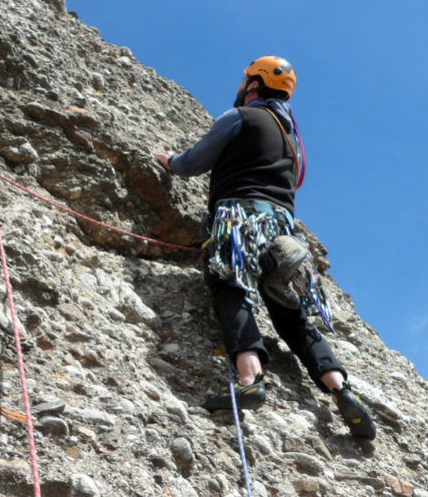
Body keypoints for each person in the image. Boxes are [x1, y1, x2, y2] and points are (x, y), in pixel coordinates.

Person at [155, 56, 376, 440]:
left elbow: (193, 162)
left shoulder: (242, 117)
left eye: (245, 80)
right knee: (292, 316)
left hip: (241, 220)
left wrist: (170, 161)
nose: (241, 86)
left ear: (255, 84)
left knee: (230, 285)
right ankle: (340, 388)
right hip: (283, 236)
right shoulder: (292, 141)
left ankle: (250, 380)